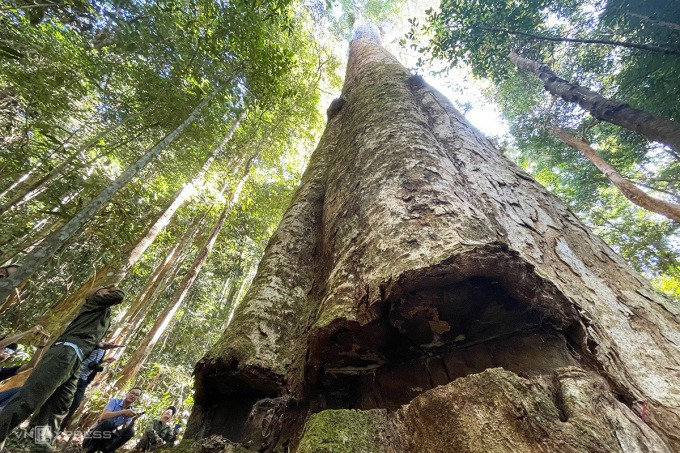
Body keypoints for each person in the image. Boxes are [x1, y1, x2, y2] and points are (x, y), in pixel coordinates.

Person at [0, 284, 125, 450]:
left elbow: (85, 334)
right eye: (105, 290)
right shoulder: (95, 301)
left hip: (75, 359)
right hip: (65, 353)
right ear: (95, 294)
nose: (109, 290)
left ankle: (40, 445)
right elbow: (119, 296)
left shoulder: (102, 312)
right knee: (30, 399)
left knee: (59, 405)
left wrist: (100, 344)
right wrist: (111, 288)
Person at [60, 341, 123, 430]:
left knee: (75, 404)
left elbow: (94, 363)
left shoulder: (103, 351)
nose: (110, 346)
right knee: (62, 400)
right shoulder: (93, 344)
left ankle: (59, 427)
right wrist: (98, 346)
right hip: (73, 376)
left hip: (83, 380)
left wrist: (104, 361)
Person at [82, 387, 142, 453]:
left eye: (136, 395)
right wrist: (123, 412)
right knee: (109, 422)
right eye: (132, 393)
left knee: (131, 431)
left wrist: (133, 420)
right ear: (127, 393)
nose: (133, 396)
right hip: (93, 436)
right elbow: (103, 416)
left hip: (108, 438)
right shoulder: (115, 401)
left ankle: (109, 451)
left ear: (137, 398)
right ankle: (90, 450)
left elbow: (127, 428)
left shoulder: (131, 410)